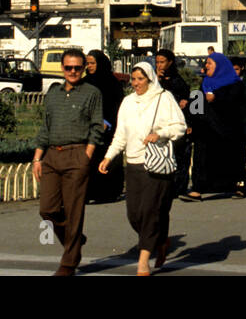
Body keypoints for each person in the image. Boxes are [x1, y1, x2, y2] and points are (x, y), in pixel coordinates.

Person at [99, 61, 186, 275]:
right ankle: (161, 239)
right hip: (134, 164)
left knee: (150, 211)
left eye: (140, 79)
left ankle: (143, 261)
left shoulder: (163, 98)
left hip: (155, 164)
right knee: (134, 215)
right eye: (133, 79)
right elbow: (120, 135)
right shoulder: (128, 102)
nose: (136, 83)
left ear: (149, 79)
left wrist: (161, 134)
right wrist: (108, 157)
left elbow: (180, 126)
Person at [33, 47, 104, 276]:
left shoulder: (92, 92)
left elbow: (96, 126)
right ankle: (74, 239)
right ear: (62, 68)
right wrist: (37, 158)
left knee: (74, 211)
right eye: (68, 67)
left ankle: (69, 262)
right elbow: (45, 127)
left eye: (77, 67)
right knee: (47, 210)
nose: (73, 71)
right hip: (52, 156)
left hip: (77, 154)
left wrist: (87, 155)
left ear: (83, 68)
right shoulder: (53, 93)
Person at [184, 52, 246, 201]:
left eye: (209, 63)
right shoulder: (205, 83)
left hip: (228, 129)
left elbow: (236, 102)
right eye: (206, 63)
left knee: (232, 158)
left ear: (220, 66)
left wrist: (217, 98)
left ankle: (240, 186)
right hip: (206, 128)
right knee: (202, 158)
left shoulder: (235, 83)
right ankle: (197, 189)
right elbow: (196, 104)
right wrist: (190, 116)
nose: (206, 66)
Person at [82, 50, 124, 203]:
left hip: (108, 129)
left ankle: (108, 192)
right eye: (88, 63)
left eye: (93, 63)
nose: (90, 66)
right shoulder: (85, 82)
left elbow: (118, 105)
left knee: (107, 158)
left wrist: (108, 121)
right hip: (89, 128)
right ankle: (89, 192)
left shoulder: (112, 82)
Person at [154, 49, 192, 195]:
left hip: (177, 124)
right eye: (157, 62)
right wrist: (157, 79)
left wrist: (189, 123)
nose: (159, 65)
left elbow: (190, 101)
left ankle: (179, 187)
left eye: (162, 62)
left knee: (180, 156)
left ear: (170, 62)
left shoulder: (179, 80)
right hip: (160, 124)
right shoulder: (154, 80)